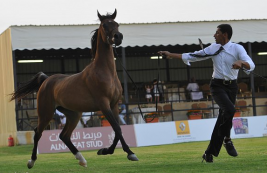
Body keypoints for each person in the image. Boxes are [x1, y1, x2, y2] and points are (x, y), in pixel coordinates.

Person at [158, 24, 255, 163]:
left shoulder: (237, 48)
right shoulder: (212, 48)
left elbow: (251, 64)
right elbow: (193, 56)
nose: (214, 35)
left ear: (225, 35)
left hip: (232, 86)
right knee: (230, 110)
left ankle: (209, 153)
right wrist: (170, 55)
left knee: (223, 116)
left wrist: (241, 63)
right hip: (217, 85)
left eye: (217, 33)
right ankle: (227, 139)